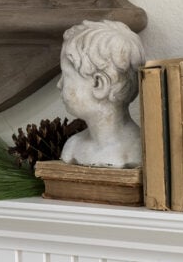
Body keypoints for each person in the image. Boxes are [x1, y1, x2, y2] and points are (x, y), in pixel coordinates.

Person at [58, 19, 145, 167]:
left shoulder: (137, 151)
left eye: (65, 75)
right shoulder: (72, 147)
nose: (59, 84)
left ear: (99, 84)